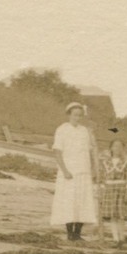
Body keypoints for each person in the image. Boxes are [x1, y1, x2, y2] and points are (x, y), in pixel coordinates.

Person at [50, 103, 100, 241]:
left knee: (82, 202)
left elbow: (91, 150)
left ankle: (77, 233)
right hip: (69, 172)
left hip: (84, 171)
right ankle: (69, 233)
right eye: (75, 115)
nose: (77, 118)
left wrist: (94, 169)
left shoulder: (84, 131)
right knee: (69, 202)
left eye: (80, 115)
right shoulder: (62, 129)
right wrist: (65, 170)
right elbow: (57, 152)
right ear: (69, 115)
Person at [97, 138, 127, 245]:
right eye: (115, 146)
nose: (117, 149)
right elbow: (102, 179)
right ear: (111, 148)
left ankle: (122, 238)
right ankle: (115, 238)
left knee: (120, 216)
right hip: (109, 191)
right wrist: (101, 193)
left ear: (123, 149)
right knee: (112, 216)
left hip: (121, 190)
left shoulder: (126, 163)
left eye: (120, 147)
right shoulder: (105, 162)